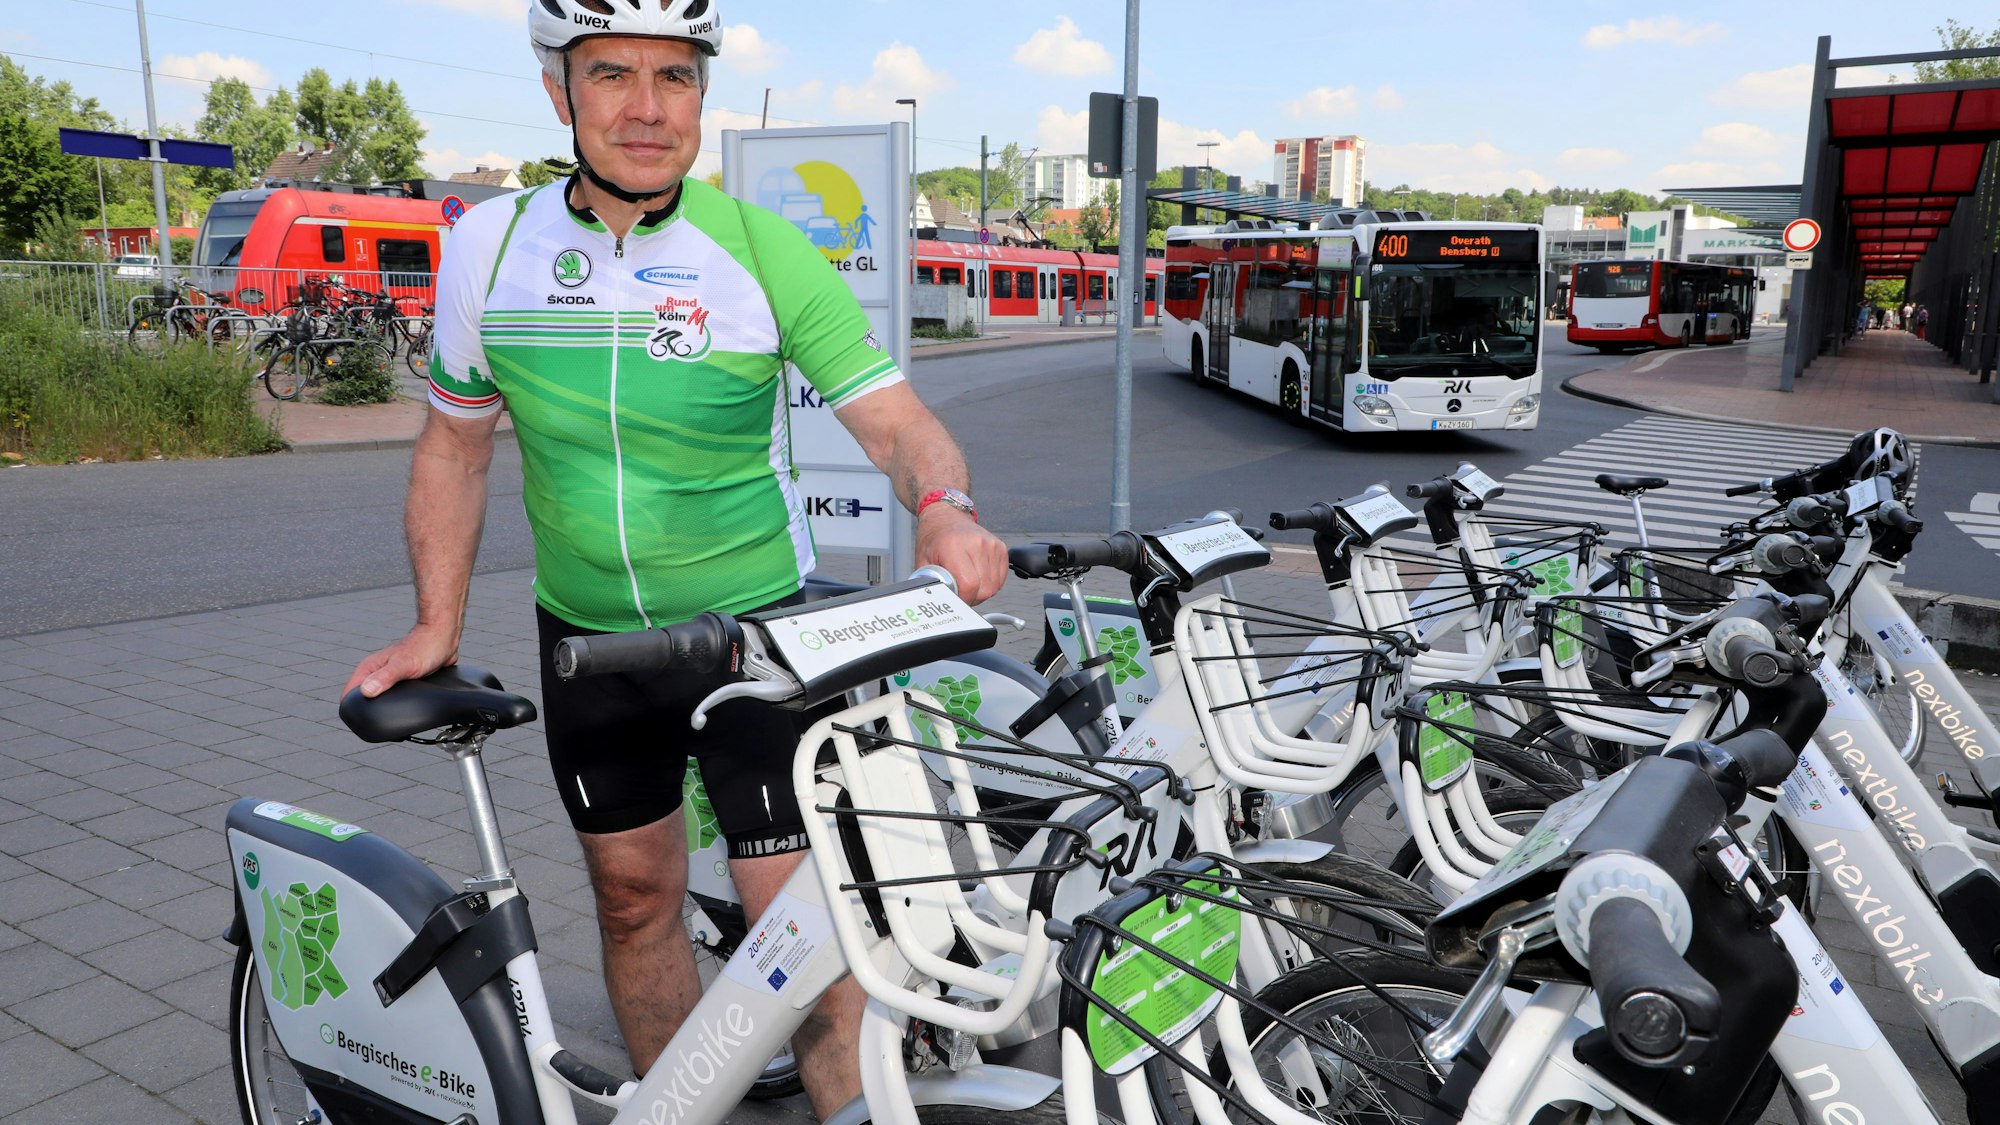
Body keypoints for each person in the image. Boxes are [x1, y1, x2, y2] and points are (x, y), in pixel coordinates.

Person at [341, 2, 1008, 1117]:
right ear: (561, 92)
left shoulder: (756, 247)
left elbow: (894, 421)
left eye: (674, 76)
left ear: (702, 93)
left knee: (802, 936)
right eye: (612, 75)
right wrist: (434, 626)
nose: (646, 108)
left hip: (757, 639)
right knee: (632, 900)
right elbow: (454, 447)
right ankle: (675, 1101)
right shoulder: (489, 248)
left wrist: (942, 506)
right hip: (593, 646)